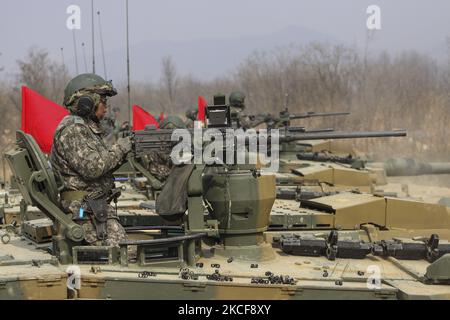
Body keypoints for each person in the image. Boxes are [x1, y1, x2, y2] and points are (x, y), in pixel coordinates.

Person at [51, 73, 132, 247]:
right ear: (87, 103)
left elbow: (99, 162)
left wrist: (125, 152)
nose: (106, 108)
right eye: (103, 102)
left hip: (91, 206)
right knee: (126, 253)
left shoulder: (83, 127)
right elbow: (94, 167)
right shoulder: (73, 129)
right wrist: (121, 148)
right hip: (82, 210)